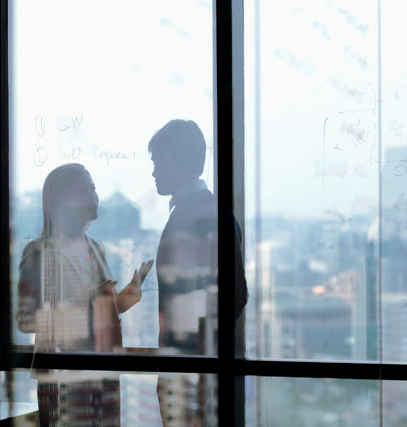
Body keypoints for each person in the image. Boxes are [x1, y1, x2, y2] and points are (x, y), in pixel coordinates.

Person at [16, 163, 153, 425]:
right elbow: (24, 320)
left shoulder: (97, 249)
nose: (94, 194)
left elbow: (105, 311)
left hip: (104, 373)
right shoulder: (38, 253)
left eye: (94, 188)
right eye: (85, 188)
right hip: (62, 376)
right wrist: (82, 314)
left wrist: (133, 289)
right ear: (63, 200)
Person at [149, 119, 247, 354]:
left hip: (191, 364)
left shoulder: (193, 216)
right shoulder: (214, 210)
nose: (153, 172)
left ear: (171, 160)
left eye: (156, 161)